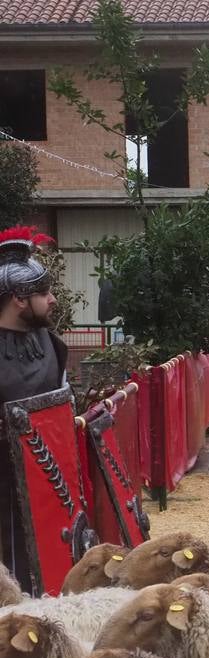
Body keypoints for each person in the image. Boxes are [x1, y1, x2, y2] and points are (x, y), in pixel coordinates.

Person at [0, 227, 68, 593]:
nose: (53, 299)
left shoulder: (50, 343)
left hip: (50, 485)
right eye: (43, 293)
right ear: (18, 300)